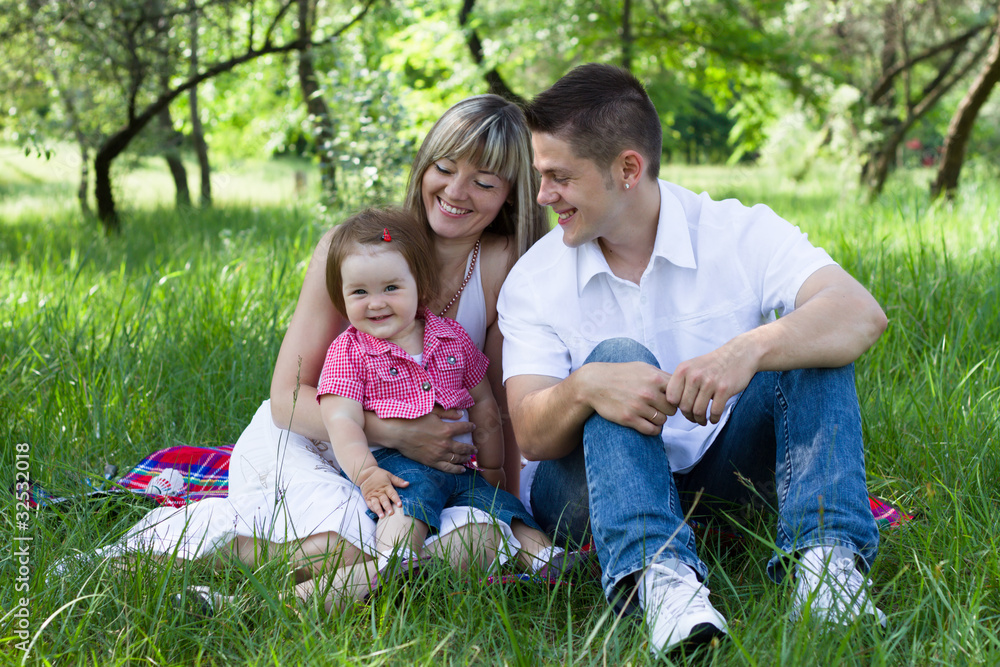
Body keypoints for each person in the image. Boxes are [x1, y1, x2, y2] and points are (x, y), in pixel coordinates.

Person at [92, 94, 551, 610]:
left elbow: (500, 406)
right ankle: (202, 556)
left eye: (484, 182)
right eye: (444, 168)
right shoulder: (354, 251)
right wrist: (396, 432)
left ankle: (260, 599)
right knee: (351, 538)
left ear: (512, 195)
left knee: (480, 540)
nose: (456, 191)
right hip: (317, 439)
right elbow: (286, 398)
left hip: (434, 469)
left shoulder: (503, 263)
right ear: (424, 166)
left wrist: (504, 505)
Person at [497, 64, 889, 655]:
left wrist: (749, 349)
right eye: (541, 176)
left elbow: (860, 313)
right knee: (614, 359)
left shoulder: (738, 231)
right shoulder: (535, 279)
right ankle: (664, 585)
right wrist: (585, 387)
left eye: (558, 177)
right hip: (591, 490)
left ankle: (827, 570)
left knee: (812, 344)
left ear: (627, 169)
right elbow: (530, 432)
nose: (543, 195)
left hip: (726, 472)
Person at [316, 207, 564, 584]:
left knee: (505, 509)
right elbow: (341, 420)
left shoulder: (450, 337)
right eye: (359, 292)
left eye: (391, 288)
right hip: (397, 464)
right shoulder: (349, 351)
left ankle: (549, 559)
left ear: (420, 286)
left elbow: (484, 402)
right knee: (404, 504)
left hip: (463, 469)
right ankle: (396, 562)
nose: (376, 302)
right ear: (342, 296)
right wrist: (368, 474)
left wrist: (494, 466)